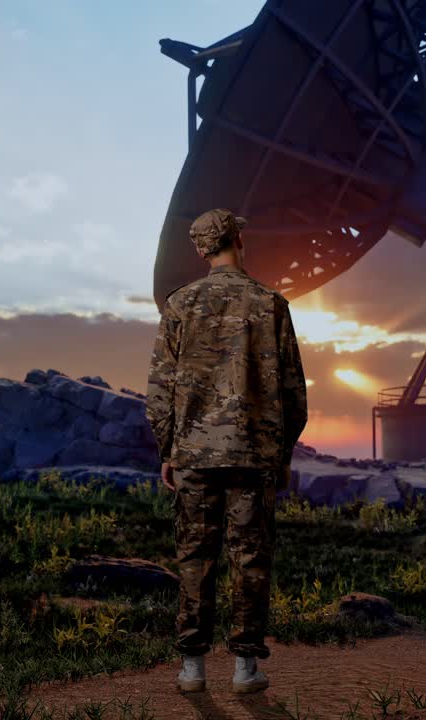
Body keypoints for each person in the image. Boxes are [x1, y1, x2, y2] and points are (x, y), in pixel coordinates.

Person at [145, 208, 308, 694]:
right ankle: (245, 669)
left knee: (195, 558)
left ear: (200, 250)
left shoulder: (179, 305)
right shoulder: (271, 304)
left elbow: (160, 389)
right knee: (251, 559)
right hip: (252, 455)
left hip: (194, 454)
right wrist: (281, 455)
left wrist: (168, 448)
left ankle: (192, 668)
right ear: (239, 240)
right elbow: (294, 392)